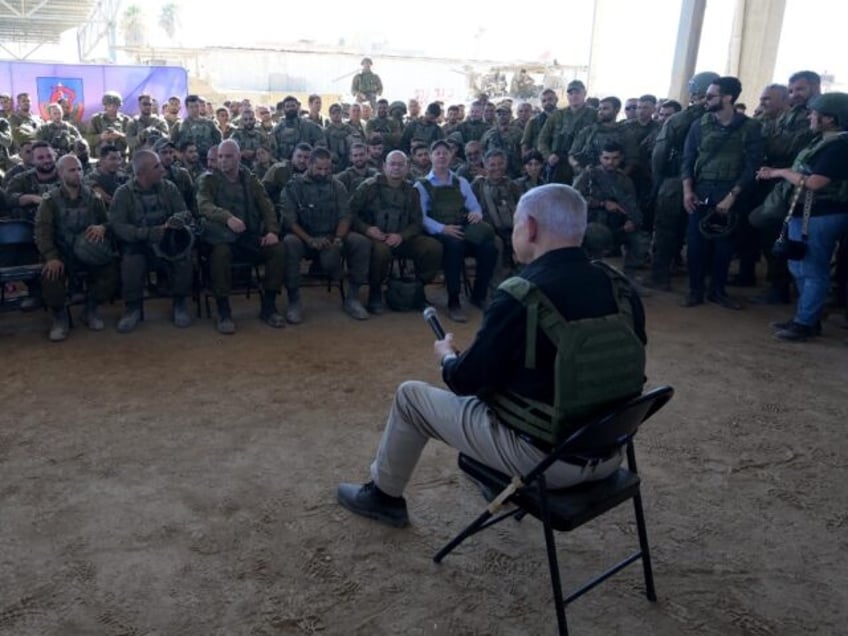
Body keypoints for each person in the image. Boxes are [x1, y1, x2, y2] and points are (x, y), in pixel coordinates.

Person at [336, 183, 647, 528]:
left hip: (547, 461)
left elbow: (464, 381)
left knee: (410, 397)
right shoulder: (619, 287)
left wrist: (447, 357)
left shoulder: (522, 294)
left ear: (529, 228)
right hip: (610, 450)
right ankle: (490, 476)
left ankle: (383, 496)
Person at [757, 93, 848, 341]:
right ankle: (806, 317)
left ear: (829, 118)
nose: (809, 116)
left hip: (820, 214)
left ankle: (805, 322)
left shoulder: (838, 146)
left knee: (811, 269)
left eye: (814, 113)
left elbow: (816, 182)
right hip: (807, 213)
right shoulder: (824, 141)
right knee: (799, 265)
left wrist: (780, 172)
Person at [681, 76, 763, 310]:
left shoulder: (750, 127)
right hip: (701, 189)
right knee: (696, 244)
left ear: (727, 97)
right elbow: (688, 159)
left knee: (724, 245)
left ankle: (718, 290)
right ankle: (695, 290)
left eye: (710, 96)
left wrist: (732, 195)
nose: (705, 100)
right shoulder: (700, 125)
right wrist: (687, 190)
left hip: (730, 192)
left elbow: (752, 166)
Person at [197, 140, 286, 334]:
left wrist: (272, 230)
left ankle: (269, 305)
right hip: (223, 238)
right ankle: (223, 309)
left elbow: (266, 205)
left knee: (277, 250)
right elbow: (204, 205)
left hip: (248, 238)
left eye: (228, 156)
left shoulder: (249, 179)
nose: (223, 161)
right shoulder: (209, 179)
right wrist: (227, 217)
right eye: (220, 156)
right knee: (220, 254)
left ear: (238, 157)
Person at [279, 147, 372, 323]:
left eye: (327, 169)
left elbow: (345, 215)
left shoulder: (337, 186)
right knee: (289, 243)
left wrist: (337, 238)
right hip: (303, 238)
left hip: (331, 237)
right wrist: (309, 239)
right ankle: (294, 300)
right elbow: (289, 221)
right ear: (309, 165)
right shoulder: (294, 187)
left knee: (360, 242)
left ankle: (352, 297)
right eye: (319, 169)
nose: (323, 173)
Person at [648, 71, 719, 291]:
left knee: (666, 229)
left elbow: (660, 153)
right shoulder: (723, 119)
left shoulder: (679, 119)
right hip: (708, 184)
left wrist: (658, 180)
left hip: (675, 180)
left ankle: (660, 277)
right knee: (701, 231)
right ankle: (699, 278)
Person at [109, 149, 195, 333]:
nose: (162, 169)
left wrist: (177, 220)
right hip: (139, 244)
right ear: (142, 173)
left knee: (184, 257)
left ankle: (179, 303)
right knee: (131, 262)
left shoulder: (168, 187)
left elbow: (184, 211)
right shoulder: (123, 194)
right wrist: (146, 233)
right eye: (156, 166)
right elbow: (118, 226)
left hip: (166, 242)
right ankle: (132, 308)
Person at [34, 154, 117, 341]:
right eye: (72, 170)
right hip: (61, 252)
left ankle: (91, 309)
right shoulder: (50, 201)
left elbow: (109, 221)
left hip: (88, 252)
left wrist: (102, 227)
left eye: (79, 169)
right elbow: (42, 231)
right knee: (51, 276)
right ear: (61, 173)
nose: (77, 173)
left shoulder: (93, 198)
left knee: (110, 271)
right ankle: (59, 317)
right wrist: (51, 256)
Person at [349, 150, 442, 313]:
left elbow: (416, 222)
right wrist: (367, 229)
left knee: (432, 247)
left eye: (401, 164)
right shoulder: (369, 187)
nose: (396, 168)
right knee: (381, 251)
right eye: (392, 164)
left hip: (401, 238)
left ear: (407, 168)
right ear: (384, 166)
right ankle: (375, 292)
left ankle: (417, 290)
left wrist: (402, 236)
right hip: (375, 238)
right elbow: (350, 213)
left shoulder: (412, 191)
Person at [415, 139, 497, 322]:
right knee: (455, 247)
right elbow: (421, 217)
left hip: (462, 228)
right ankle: (453, 301)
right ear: (430, 157)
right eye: (437, 153)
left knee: (489, 248)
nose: (442, 156)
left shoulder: (461, 182)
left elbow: (474, 207)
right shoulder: (421, 185)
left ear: (452, 155)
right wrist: (443, 228)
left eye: (445, 152)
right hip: (439, 234)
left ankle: (479, 294)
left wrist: (476, 215)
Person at [537, 80, 596, 184]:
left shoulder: (594, 115)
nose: (574, 96)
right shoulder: (557, 115)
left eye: (577, 92)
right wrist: (548, 156)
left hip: (581, 164)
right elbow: (542, 139)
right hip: (558, 163)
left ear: (584, 94)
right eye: (570, 93)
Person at [86, 91, 129, 158]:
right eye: (109, 105)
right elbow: (88, 138)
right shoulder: (96, 119)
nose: (111, 108)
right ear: (105, 106)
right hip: (101, 157)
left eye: (114, 106)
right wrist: (101, 137)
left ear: (119, 106)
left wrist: (119, 135)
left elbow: (132, 140)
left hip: (120, 157)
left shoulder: (126, 120)